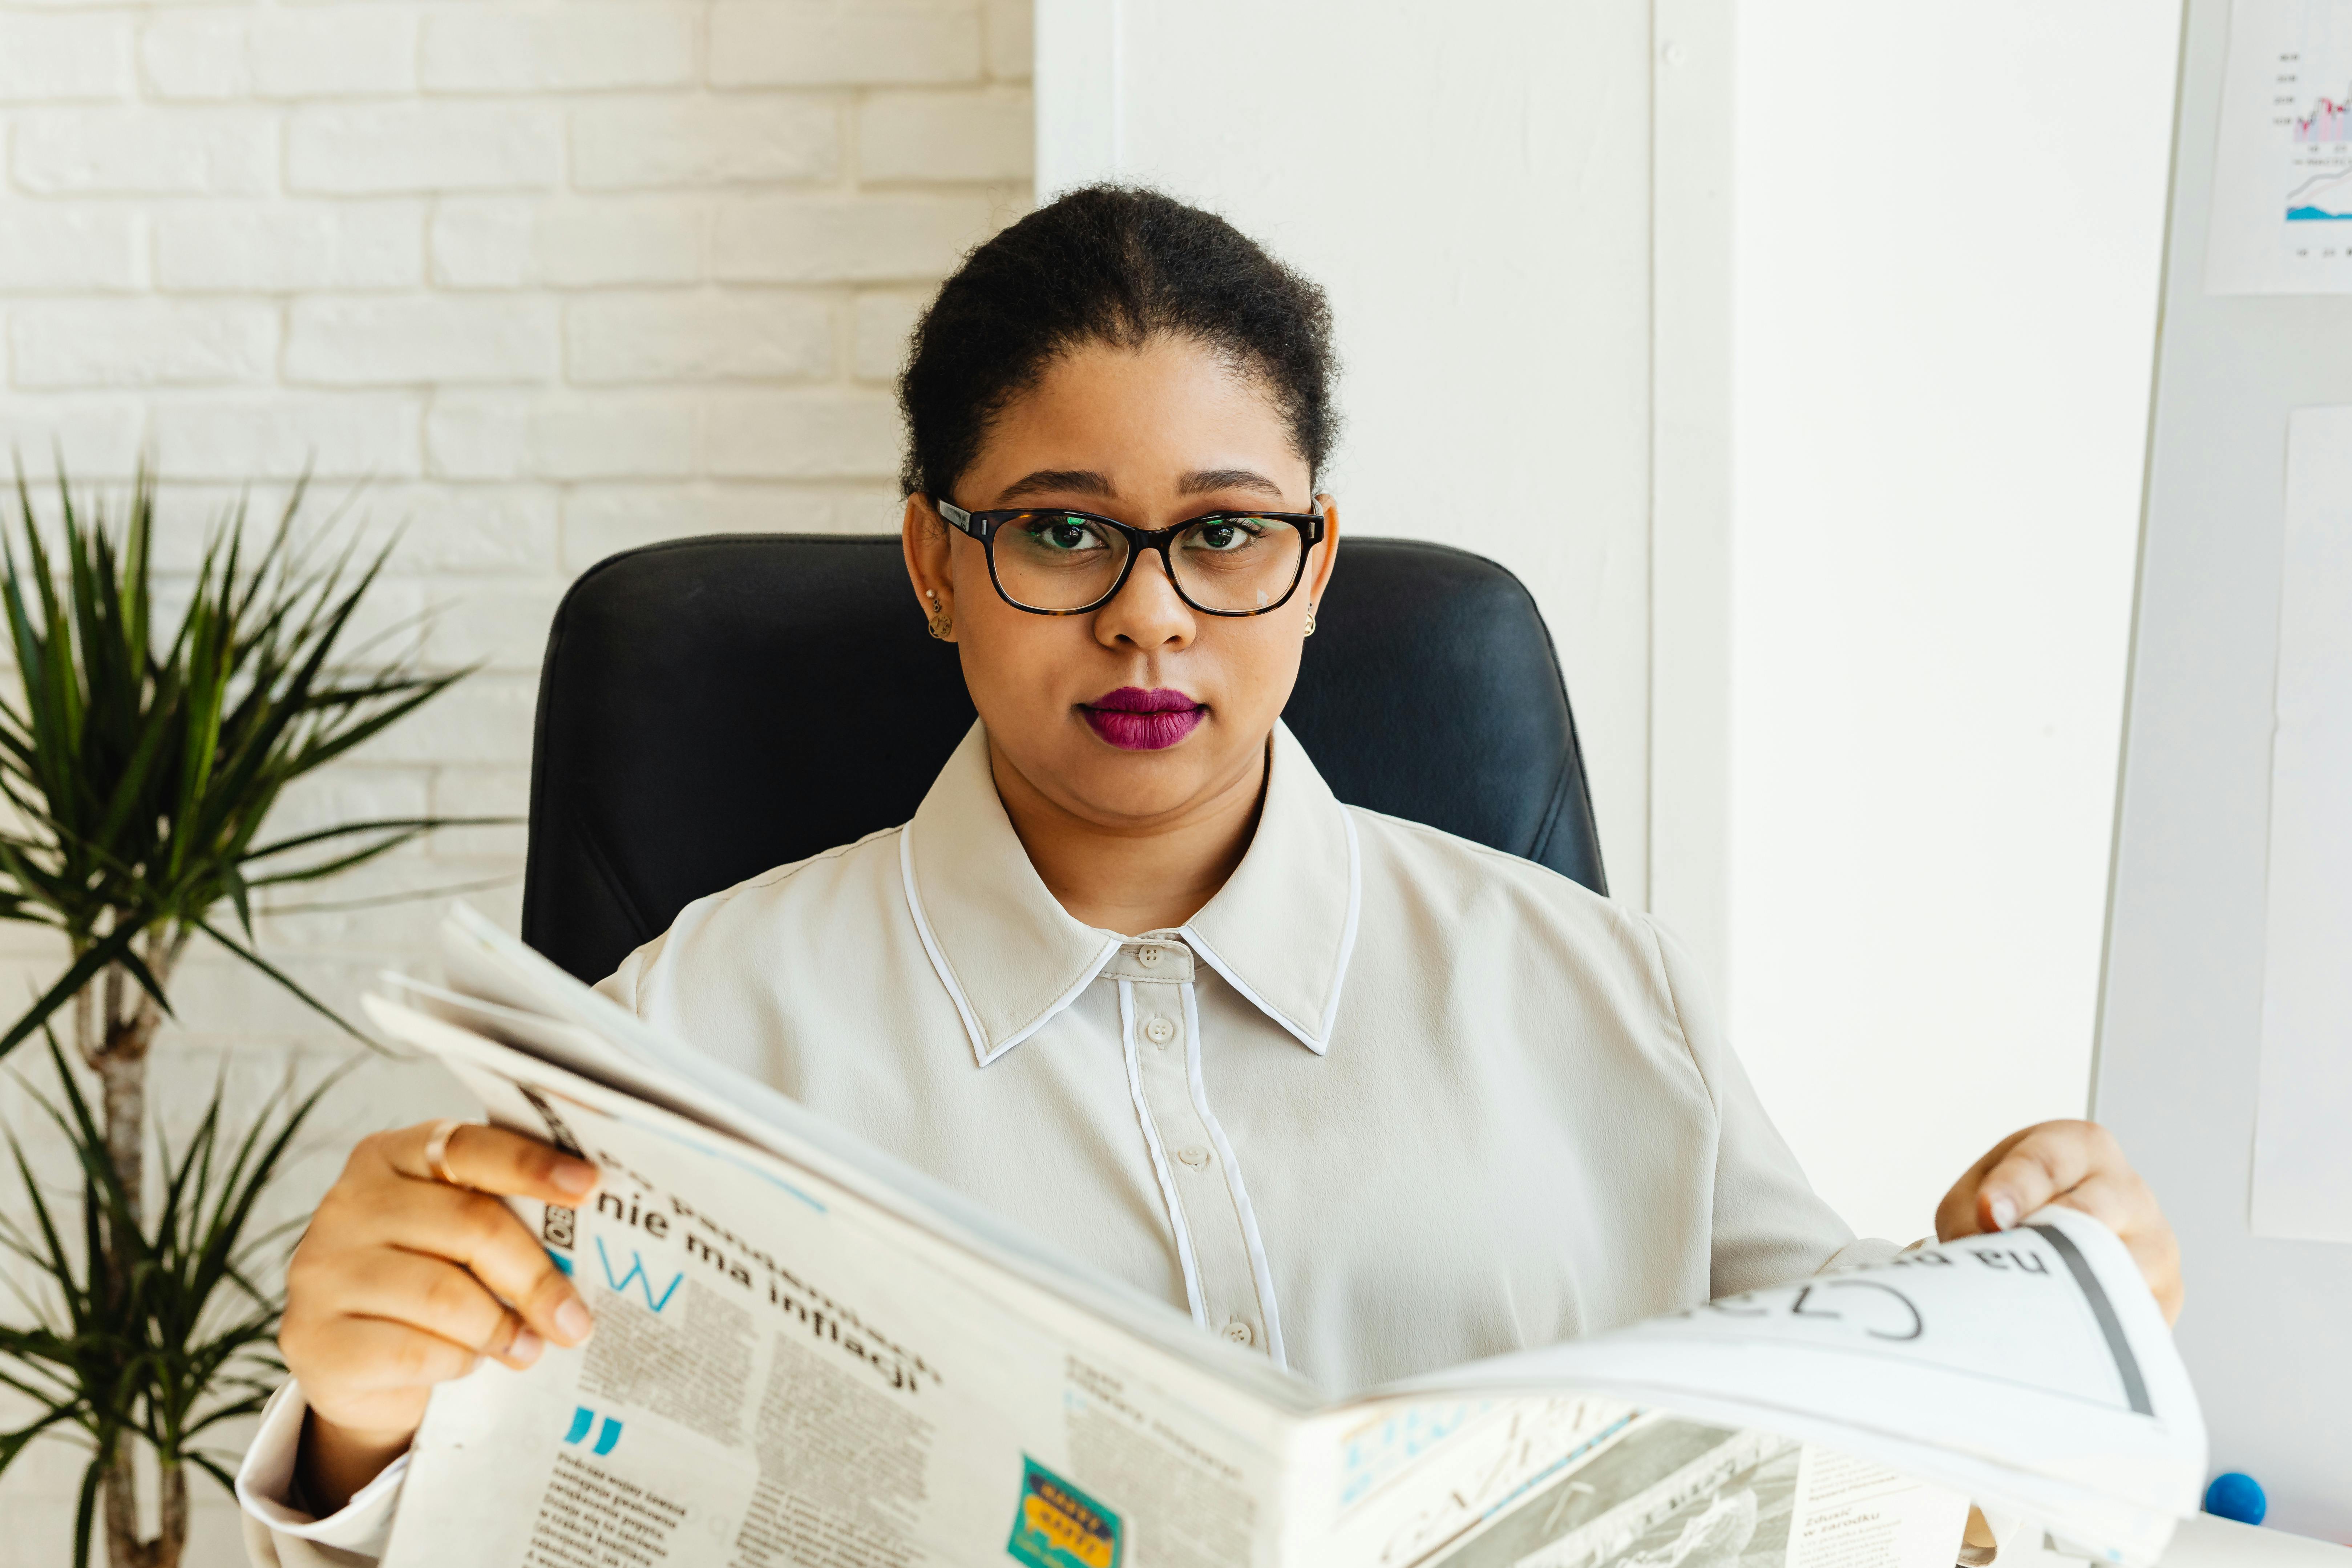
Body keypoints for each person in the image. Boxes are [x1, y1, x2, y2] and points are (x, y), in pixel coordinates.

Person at [236, 186, 2183, 1565]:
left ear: (1318, 568)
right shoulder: (690, 1025)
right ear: (933, 560)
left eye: (1229, 537)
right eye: (1064, 531)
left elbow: (1895, 1487)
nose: (1153, 620)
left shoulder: (1596, 991)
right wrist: (356, 1413)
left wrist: (2037, 1312)